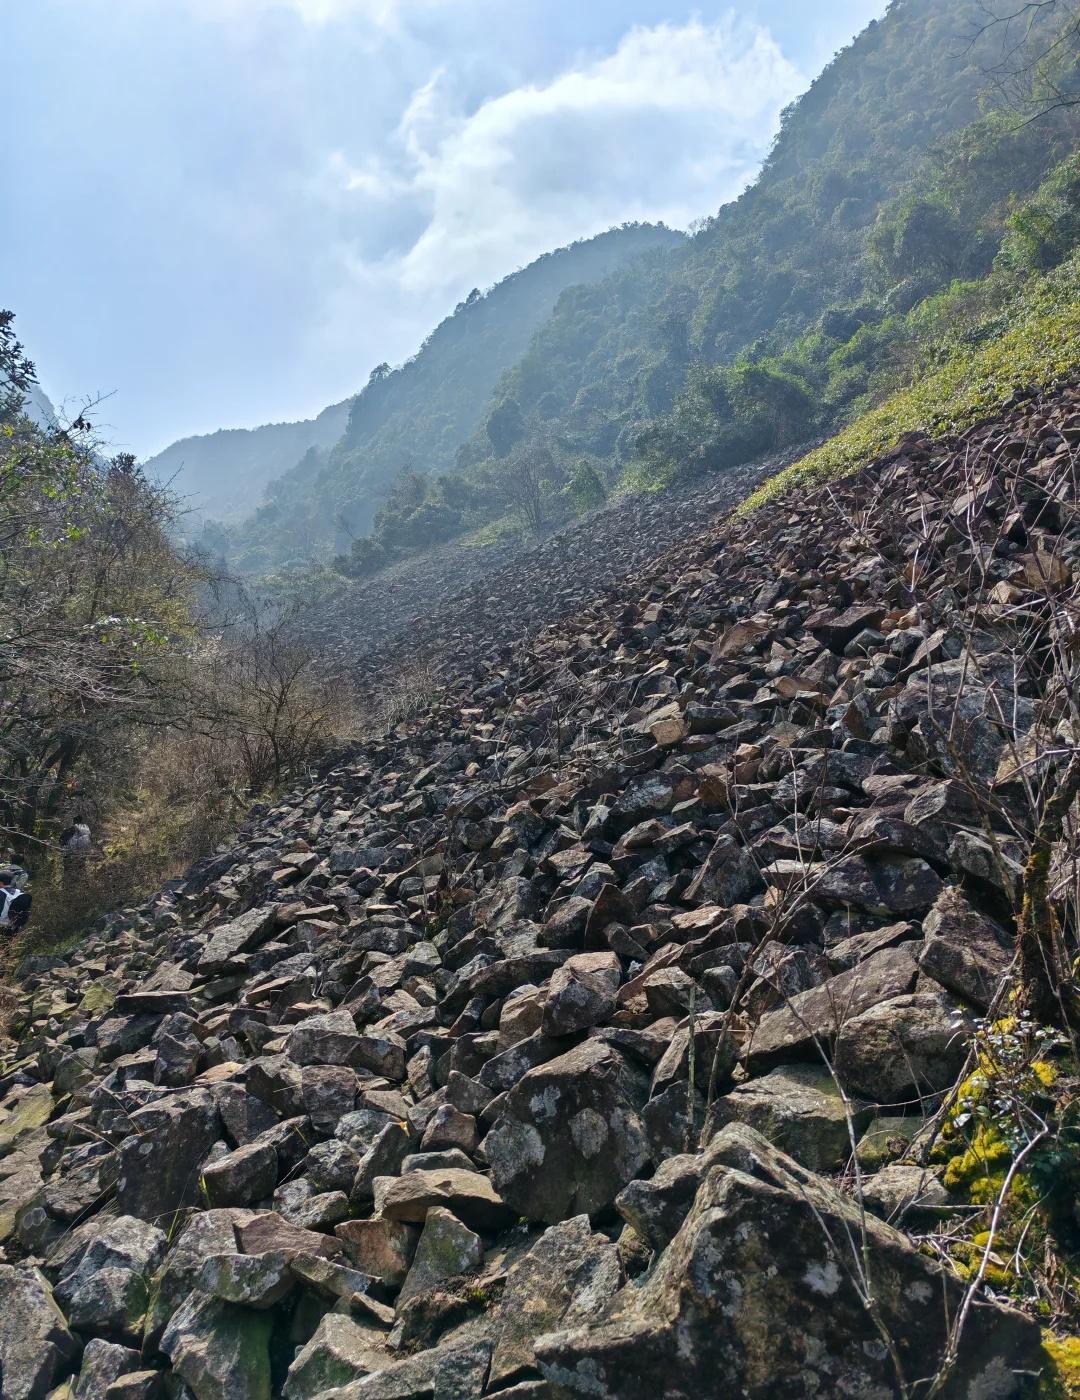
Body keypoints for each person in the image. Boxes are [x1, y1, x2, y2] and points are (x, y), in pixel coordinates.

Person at [0, 870, 31, 944]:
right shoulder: (19, 892)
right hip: (14, 927)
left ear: (0, 882)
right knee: (7, 946)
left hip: (1, 926)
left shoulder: (1, 893)